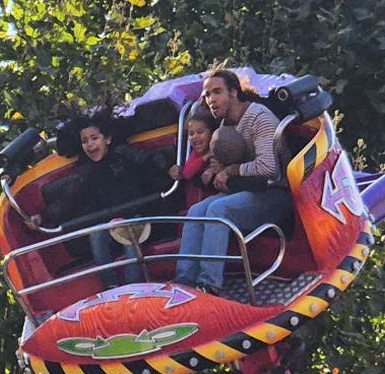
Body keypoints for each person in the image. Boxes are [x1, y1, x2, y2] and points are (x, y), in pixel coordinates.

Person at [174, 69, 294, 294]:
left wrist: (230, 170)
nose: (211, 100)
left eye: (217, 92)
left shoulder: (259, 117)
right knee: (197, 210)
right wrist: (214, 171)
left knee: (219, 209)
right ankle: (184, 282)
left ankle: (209, 284)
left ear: (234, 92)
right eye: (208, 94)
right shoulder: (223, 126)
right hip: (246, 190)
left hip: (275, 193)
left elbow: (269, 168)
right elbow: (223, 169)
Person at [30, 108, 170, 288]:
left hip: (139, 218)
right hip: (110, 225)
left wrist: (168, 167)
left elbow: (148, 160)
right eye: (85, 141)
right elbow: (69, 198)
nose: (90, 145)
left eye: (94, 138)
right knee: (97, 234)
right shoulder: (87, 172)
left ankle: (135, 285)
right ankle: (111, 286)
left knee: (126, 230)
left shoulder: (123, 155)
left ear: (108, 139)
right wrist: (42, 216)